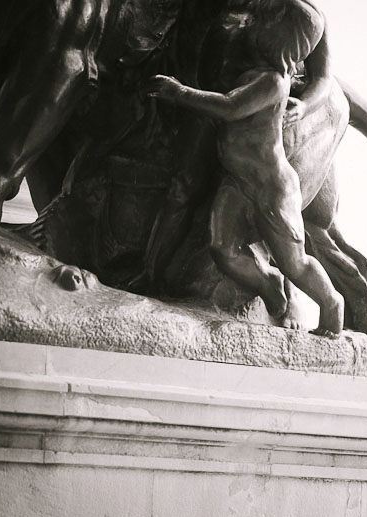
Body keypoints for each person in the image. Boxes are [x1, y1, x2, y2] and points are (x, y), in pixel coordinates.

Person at [145, 0, 343, 337]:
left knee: (296, 261)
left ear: (277, 38)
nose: (251, 24)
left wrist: (180, 93)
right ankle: (269, 283)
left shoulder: (273, 82)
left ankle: (332, 305)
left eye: (263, 23)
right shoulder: (253, 70)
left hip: (272, 187)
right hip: (237, 180)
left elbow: (229, 107)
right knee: (223, 249)